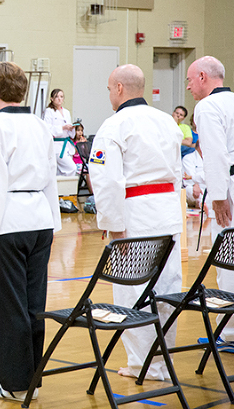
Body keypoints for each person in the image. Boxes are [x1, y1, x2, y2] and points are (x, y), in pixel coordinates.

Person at [89, 63, 183, 381]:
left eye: (108, 88)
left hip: (137, 213)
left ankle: (144, 364)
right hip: (168, 210)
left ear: (118, 88)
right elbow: (179, 172)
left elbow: (107, 180)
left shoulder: (115, 125)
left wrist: (114, 224)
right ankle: (161, 361)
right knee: (167, 288)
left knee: (134, 292)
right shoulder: (167, 121)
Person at [0, 61, 61, 401]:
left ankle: (14, 383)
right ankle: (31, 379)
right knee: (32, 304)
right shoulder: (39, 124)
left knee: (6, 306)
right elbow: (51, 177)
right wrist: (53, 222)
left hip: (7, 222)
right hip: (39, 218)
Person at [186, 56, 234, 340]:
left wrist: (218, 196)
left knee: (227, 256)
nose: (190, 87)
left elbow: (214, 154)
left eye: (190, 80)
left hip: (228, 185)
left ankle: (228, 332)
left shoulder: (207, 106)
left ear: (203, 77)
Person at [43, 88, 77, 176]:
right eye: (57, 97)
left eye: (61, 97)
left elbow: (70, 132)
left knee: (59, 171)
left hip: (66, 145)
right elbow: (47, 128)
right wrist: (62, 127)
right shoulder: (49, 111)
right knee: (71, 168)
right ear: (52, 99)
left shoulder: (66, 112)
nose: (59, 99)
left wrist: (71, 128)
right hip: (56, 145)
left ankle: (61, 188)